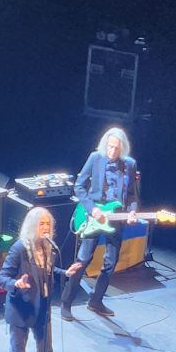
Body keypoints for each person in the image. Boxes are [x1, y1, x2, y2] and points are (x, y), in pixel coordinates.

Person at [0, 207, 83, 352]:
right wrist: (16, 284)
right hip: (21, 308)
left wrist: (65, 272)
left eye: (48, 224)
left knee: (46, 351)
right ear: (32, 226)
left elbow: (48, 270)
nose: (45, 228)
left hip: (42, 307)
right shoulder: (20, 248)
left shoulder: (48, 247)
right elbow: (2, 277)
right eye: (41, 224)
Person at [61, 127, 139, 321]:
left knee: (110, 262)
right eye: (110, 147)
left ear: (123, 148)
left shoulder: (129, 164)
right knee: (83, 259)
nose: (113, 151)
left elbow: (132, 195)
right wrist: (93, 209)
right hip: (94, 216)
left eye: (117, 148)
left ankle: (96, 301)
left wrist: (132, 212)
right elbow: (79, 186)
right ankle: (66, 302)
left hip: (116, 218)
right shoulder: (95, 158)